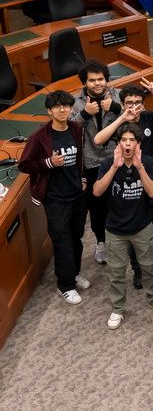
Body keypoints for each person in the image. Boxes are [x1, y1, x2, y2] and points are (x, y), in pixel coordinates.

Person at [94, 81, 153, 285]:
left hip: (150, 178)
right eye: (129, 103)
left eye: (138, 102)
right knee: (133, 229)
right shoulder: (119, 121)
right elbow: (98, 140)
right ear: (122, 104)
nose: (134, 106)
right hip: (126, 184)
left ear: (143, 104)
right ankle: (138, 270)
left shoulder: (150, 117)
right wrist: (123, 118)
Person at [93, 124, 153, 329]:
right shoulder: (109, 162)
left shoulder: (146, 162)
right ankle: (118, 309)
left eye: (132, 141)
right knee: (116, 272)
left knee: (149, 266)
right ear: (118, 144)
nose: (127, 144)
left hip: (142, 226)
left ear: (138, 144)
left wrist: (139, 167)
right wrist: (114, 167)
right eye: (124, 140)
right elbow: (97, 191)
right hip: (115, 230)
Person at [19, 90, 89, 305]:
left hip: (77, 194)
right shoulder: (39, 137)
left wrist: (83, 177)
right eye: (57, 107)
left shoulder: (77, 129)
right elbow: (24, 165)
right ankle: (65, 285)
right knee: (62, 241)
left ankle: (74, 274)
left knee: (76, 237)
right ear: (49, 111)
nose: (62, 109)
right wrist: (49, 163)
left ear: (71, 108)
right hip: (55, 198)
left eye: (66, 106)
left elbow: (81, 157)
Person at [70, 60, 122, 265]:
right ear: (85, 82)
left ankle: (121, 238)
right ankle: (101, 241)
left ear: (106, 79)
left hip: (117, 157)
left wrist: (116, 108)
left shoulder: (118, 95)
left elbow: (134, 117)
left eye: (100, 79)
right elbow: (68, 129)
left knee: (120, 199)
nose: (97, 83)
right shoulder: (76, 103)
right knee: (97, 206)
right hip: (91, 162)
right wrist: (84, 114)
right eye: (92, 80)